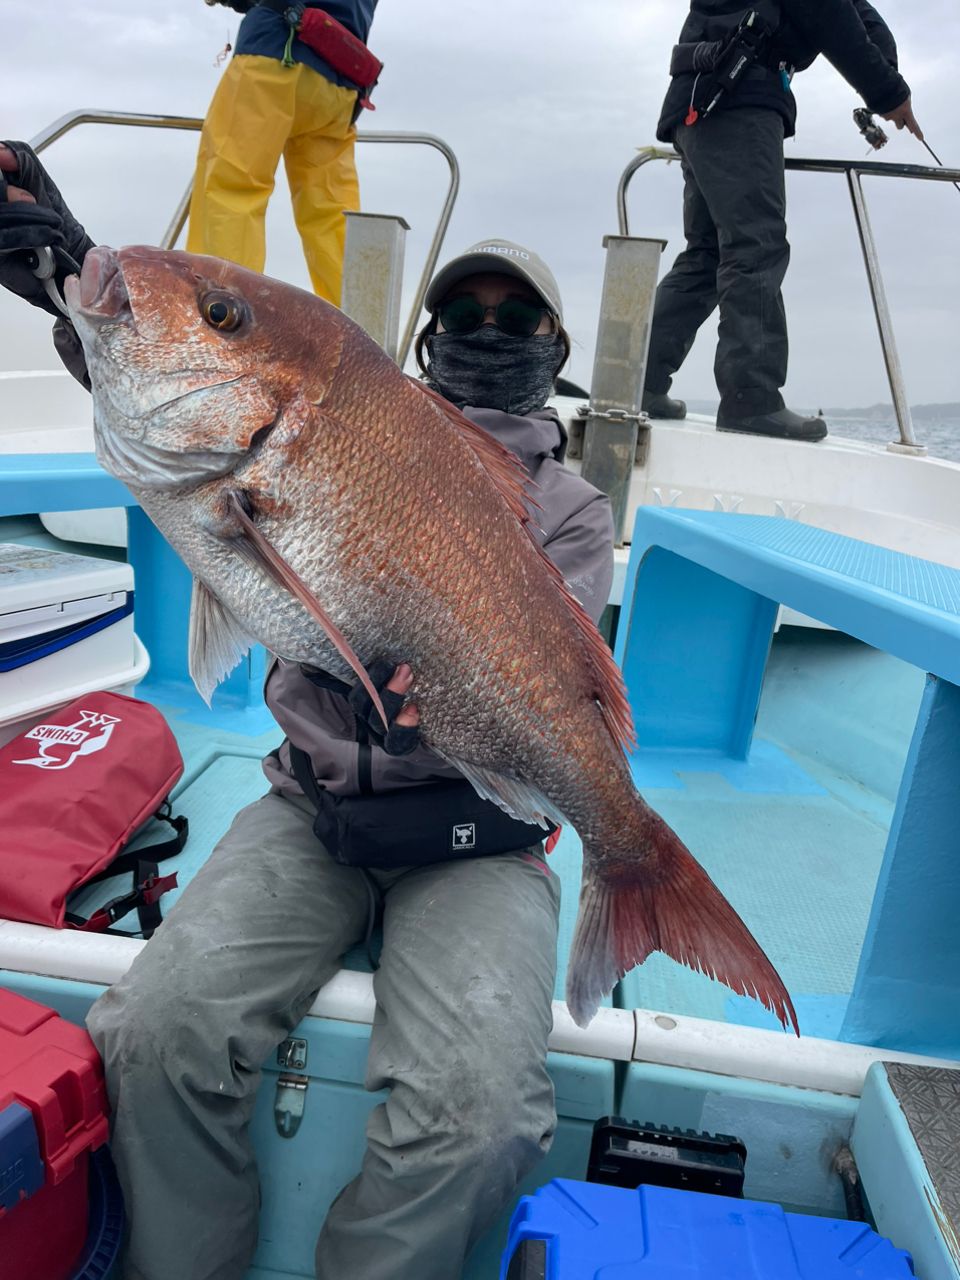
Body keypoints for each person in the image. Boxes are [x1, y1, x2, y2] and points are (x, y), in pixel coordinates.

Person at [0, 152, 615, 1280]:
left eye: (515, 315)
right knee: (150, 1030)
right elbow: (189, 391)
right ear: (423, 339)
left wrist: (443, 703)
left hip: (476, 841)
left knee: (480, 1119)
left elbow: (552, 669)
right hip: (314, 809)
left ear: (553, 348)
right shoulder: (342, 417)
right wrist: (59, 267)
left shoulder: (574, 510)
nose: (488, 328)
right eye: (462, 311)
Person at [642, 0, 923, 442]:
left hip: (701, 102)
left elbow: (856, 13)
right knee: (755, 246)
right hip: (736, 100)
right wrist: (887, 91)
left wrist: (887, 72)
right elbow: (829, 13)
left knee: (707, 254)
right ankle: (750, 399)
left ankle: (638, 380)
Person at [187, 0, 380, 305]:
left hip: (274, 52)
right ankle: (361, 327)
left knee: (232, 188)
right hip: (341, 84)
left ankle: (219, 315)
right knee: (332, 216)